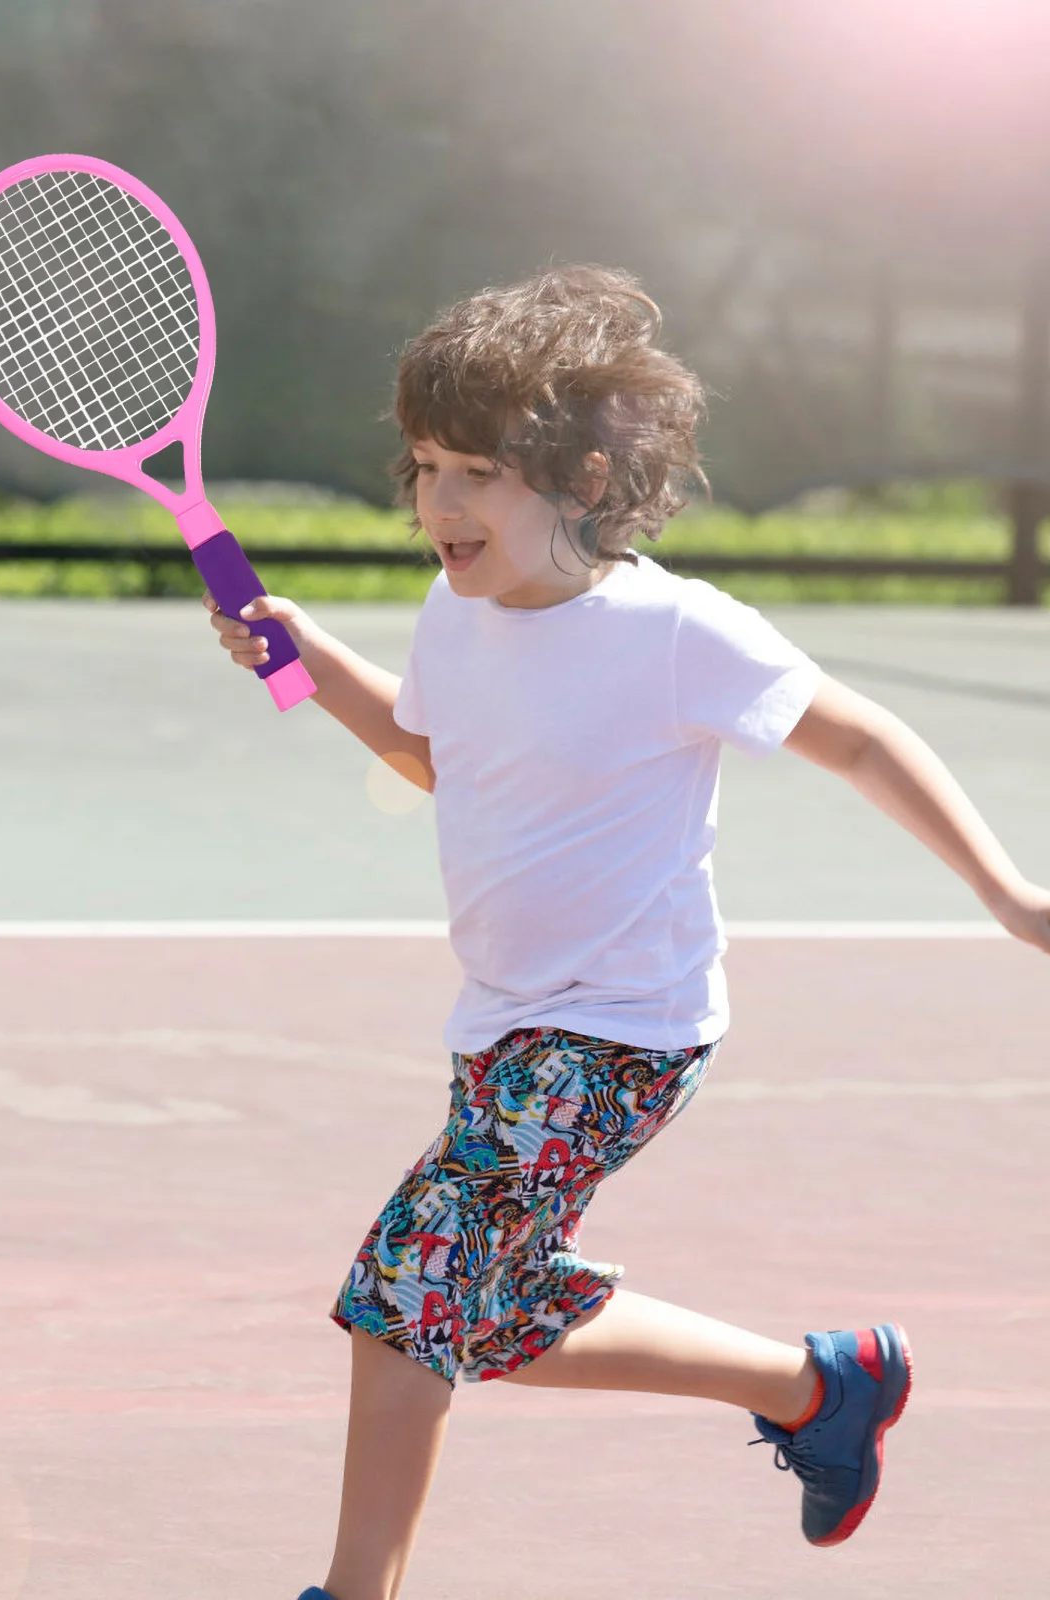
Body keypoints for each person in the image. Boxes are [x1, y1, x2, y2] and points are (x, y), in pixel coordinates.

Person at [202, 266, 1050, 1600]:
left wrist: (1007, 893)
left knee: (399, 1296)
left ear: (583, 482)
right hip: (504, 1025)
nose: (439, 505)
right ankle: (818, 1389)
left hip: (620, 1031)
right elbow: (439, 757)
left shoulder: (671, 632)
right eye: (425, 467)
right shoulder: (456, 612)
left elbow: (863, 739)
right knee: (476, 1314)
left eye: (477, 471)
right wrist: (302, 661)